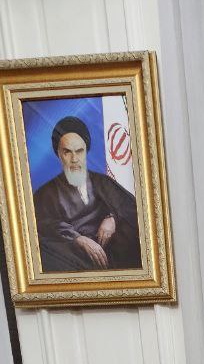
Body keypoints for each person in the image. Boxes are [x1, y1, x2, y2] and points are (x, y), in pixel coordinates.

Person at [32, 116, 142, 273]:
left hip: (111, 252)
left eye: (79, 151)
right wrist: (78, 239)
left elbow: (131, 207)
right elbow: (42, 225)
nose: (74, 159)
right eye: (67, 152)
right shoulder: (45, 193)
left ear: (86, 151)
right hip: (74, 257)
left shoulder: (103, 182)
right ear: (59, 154)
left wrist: (112, 218)